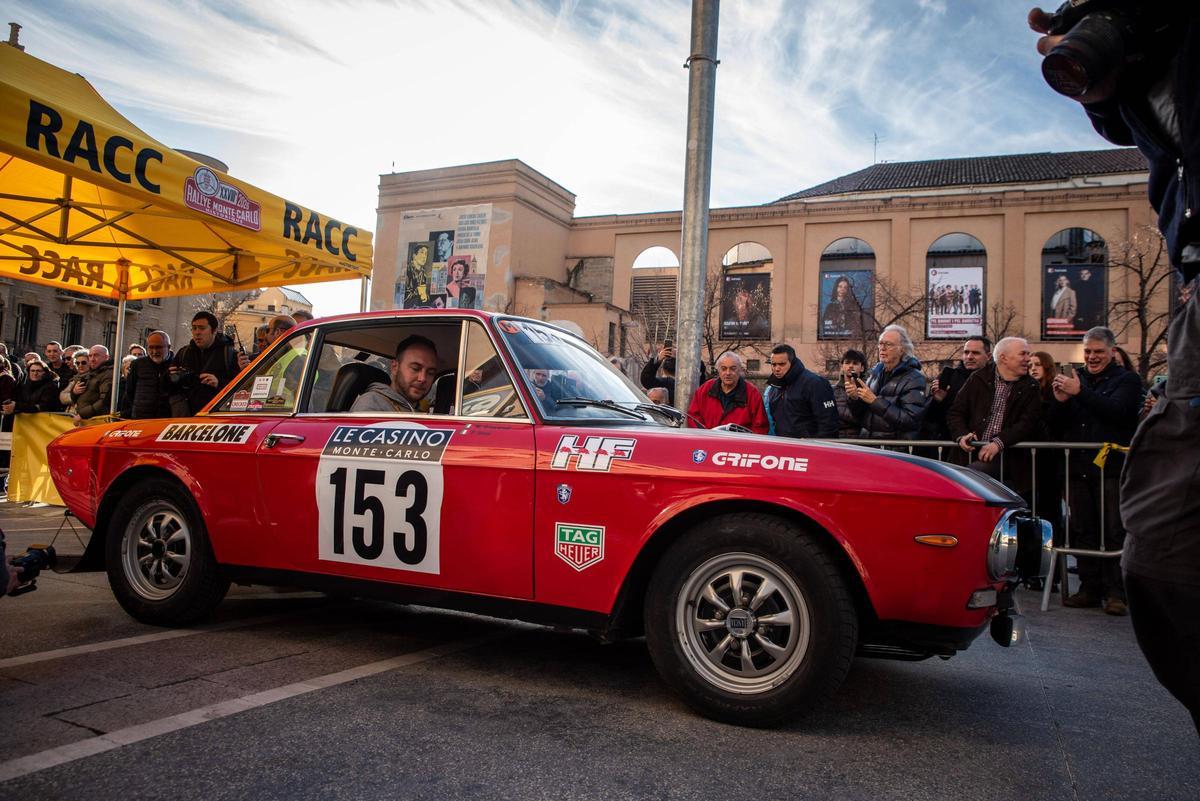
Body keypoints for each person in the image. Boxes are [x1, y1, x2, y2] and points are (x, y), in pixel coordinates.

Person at [1047, 327, 1141, 616]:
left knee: (1113, 530)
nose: (1092, 357)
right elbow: (1055, 425)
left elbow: (1118, 412)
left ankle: (1116, 593)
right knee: (1083, 529)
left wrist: (1080, 393)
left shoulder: (1127, 380)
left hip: (1111, 469)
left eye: (1098, 351)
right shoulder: (1078, 379)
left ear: (1112, 352)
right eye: (1088, 351)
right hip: (1078, 467)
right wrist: (1061, 403)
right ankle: (1089, 588)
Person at [946, 337, 1041, 488]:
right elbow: (956, 412)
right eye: (1023, 354)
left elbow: (1028, 422)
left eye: (1027, 354)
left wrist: (999, 442)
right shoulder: (977, 378)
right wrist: (962, 435)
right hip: (969, 455)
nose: (1028, 359)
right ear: (1003, 358)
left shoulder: (1031, 386)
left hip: (1010, 459)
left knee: (975, 477)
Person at [846, 325, 927, 439]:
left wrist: (875, 401)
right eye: (880, 343)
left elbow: (910, 420)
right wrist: (855, 399)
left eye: (888, 344)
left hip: (893, 449)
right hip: (868, 444)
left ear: (902, 349)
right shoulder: (874, 374)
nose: (882, 348)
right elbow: (860, 416)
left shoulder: (914, 379)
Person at [1028, 350, 1066, 592]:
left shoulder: (1053, 394)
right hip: (1030, 462)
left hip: (1050, 462)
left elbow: (1051, 424)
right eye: (1030, 364)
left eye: (1038, 365)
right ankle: (1034, 571)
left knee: (1052, 518)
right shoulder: (1027, 391)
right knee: (1034, 518)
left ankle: (1054, 574)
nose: (1033, 369)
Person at [169, 311, 241, 416]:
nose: (197, 332)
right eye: (194, 328)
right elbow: (167, 388)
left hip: (215, 418)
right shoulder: (183, 353)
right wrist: (170, 377)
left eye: (202, 328)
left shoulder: (229, 355)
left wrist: (218, 383)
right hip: (186, 417)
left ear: (214, 330)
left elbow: (239, 388)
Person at [921, 336, 991, 441]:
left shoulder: (996, 379)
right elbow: (930, 418)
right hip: (952, 444)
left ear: (988, 356)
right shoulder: (949, 378)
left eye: (975, 353)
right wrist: (937, 401)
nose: (969, 357)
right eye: (966, 352)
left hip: (985, 444)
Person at [764, 344, 837, 438]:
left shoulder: (815, 383)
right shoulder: (774, 387)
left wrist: (813, 443)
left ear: (792, 362)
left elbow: (828, 423)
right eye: (773, 364)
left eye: (782, 364)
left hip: (810, 448)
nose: (777, 369)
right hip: (783, 445)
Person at [350, 335, 438, 414]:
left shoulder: (417, 408)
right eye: (415, 368)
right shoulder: (372, 405)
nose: (422, 378)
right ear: (395, 367)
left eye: (430, 373)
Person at [686, 352, 768, 433]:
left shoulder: (752, 393)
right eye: (723, 368)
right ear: (718, 370)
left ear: (740, 369)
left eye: (733, 368)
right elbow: (694, 418)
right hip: (708, 442)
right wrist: (705, 437)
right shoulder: (705, 389)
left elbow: (760, 427)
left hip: (740, 444)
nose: (728, 373)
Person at [122, 331, 174, 420]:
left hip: (166, 420)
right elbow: (130, 391)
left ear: (168, 347)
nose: (154, 351)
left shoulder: (175, 364)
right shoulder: (137, 364)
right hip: (140, 418)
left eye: (158, 347)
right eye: (151, 347)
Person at [831, 349, 868, 438]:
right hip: (835, 441)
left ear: (862, 368)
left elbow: (865, 419)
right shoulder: (831, 390)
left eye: (855, 363)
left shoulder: (868, 390)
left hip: (859, 443)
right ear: (842, 366)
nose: (851, 366)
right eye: (847, 363)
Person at [75, 345, 114, 421]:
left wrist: (82, 414)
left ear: (106, 357)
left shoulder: (109, 374)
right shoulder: (90, 372)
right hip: (84, 419)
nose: (92, 359)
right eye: (90, 356)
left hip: (96, 421)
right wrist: (74, 392)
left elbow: (104, 400)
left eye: (96, 355)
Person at [821, 275, 867, 340]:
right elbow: (825, 326)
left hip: (851, 339)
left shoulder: (854, 306)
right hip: (833, 339)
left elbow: (858, 325)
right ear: (836, 288)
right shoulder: (830, 307)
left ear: (848, 290)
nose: (842, 289)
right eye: (840, 286)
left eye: (845, 287)